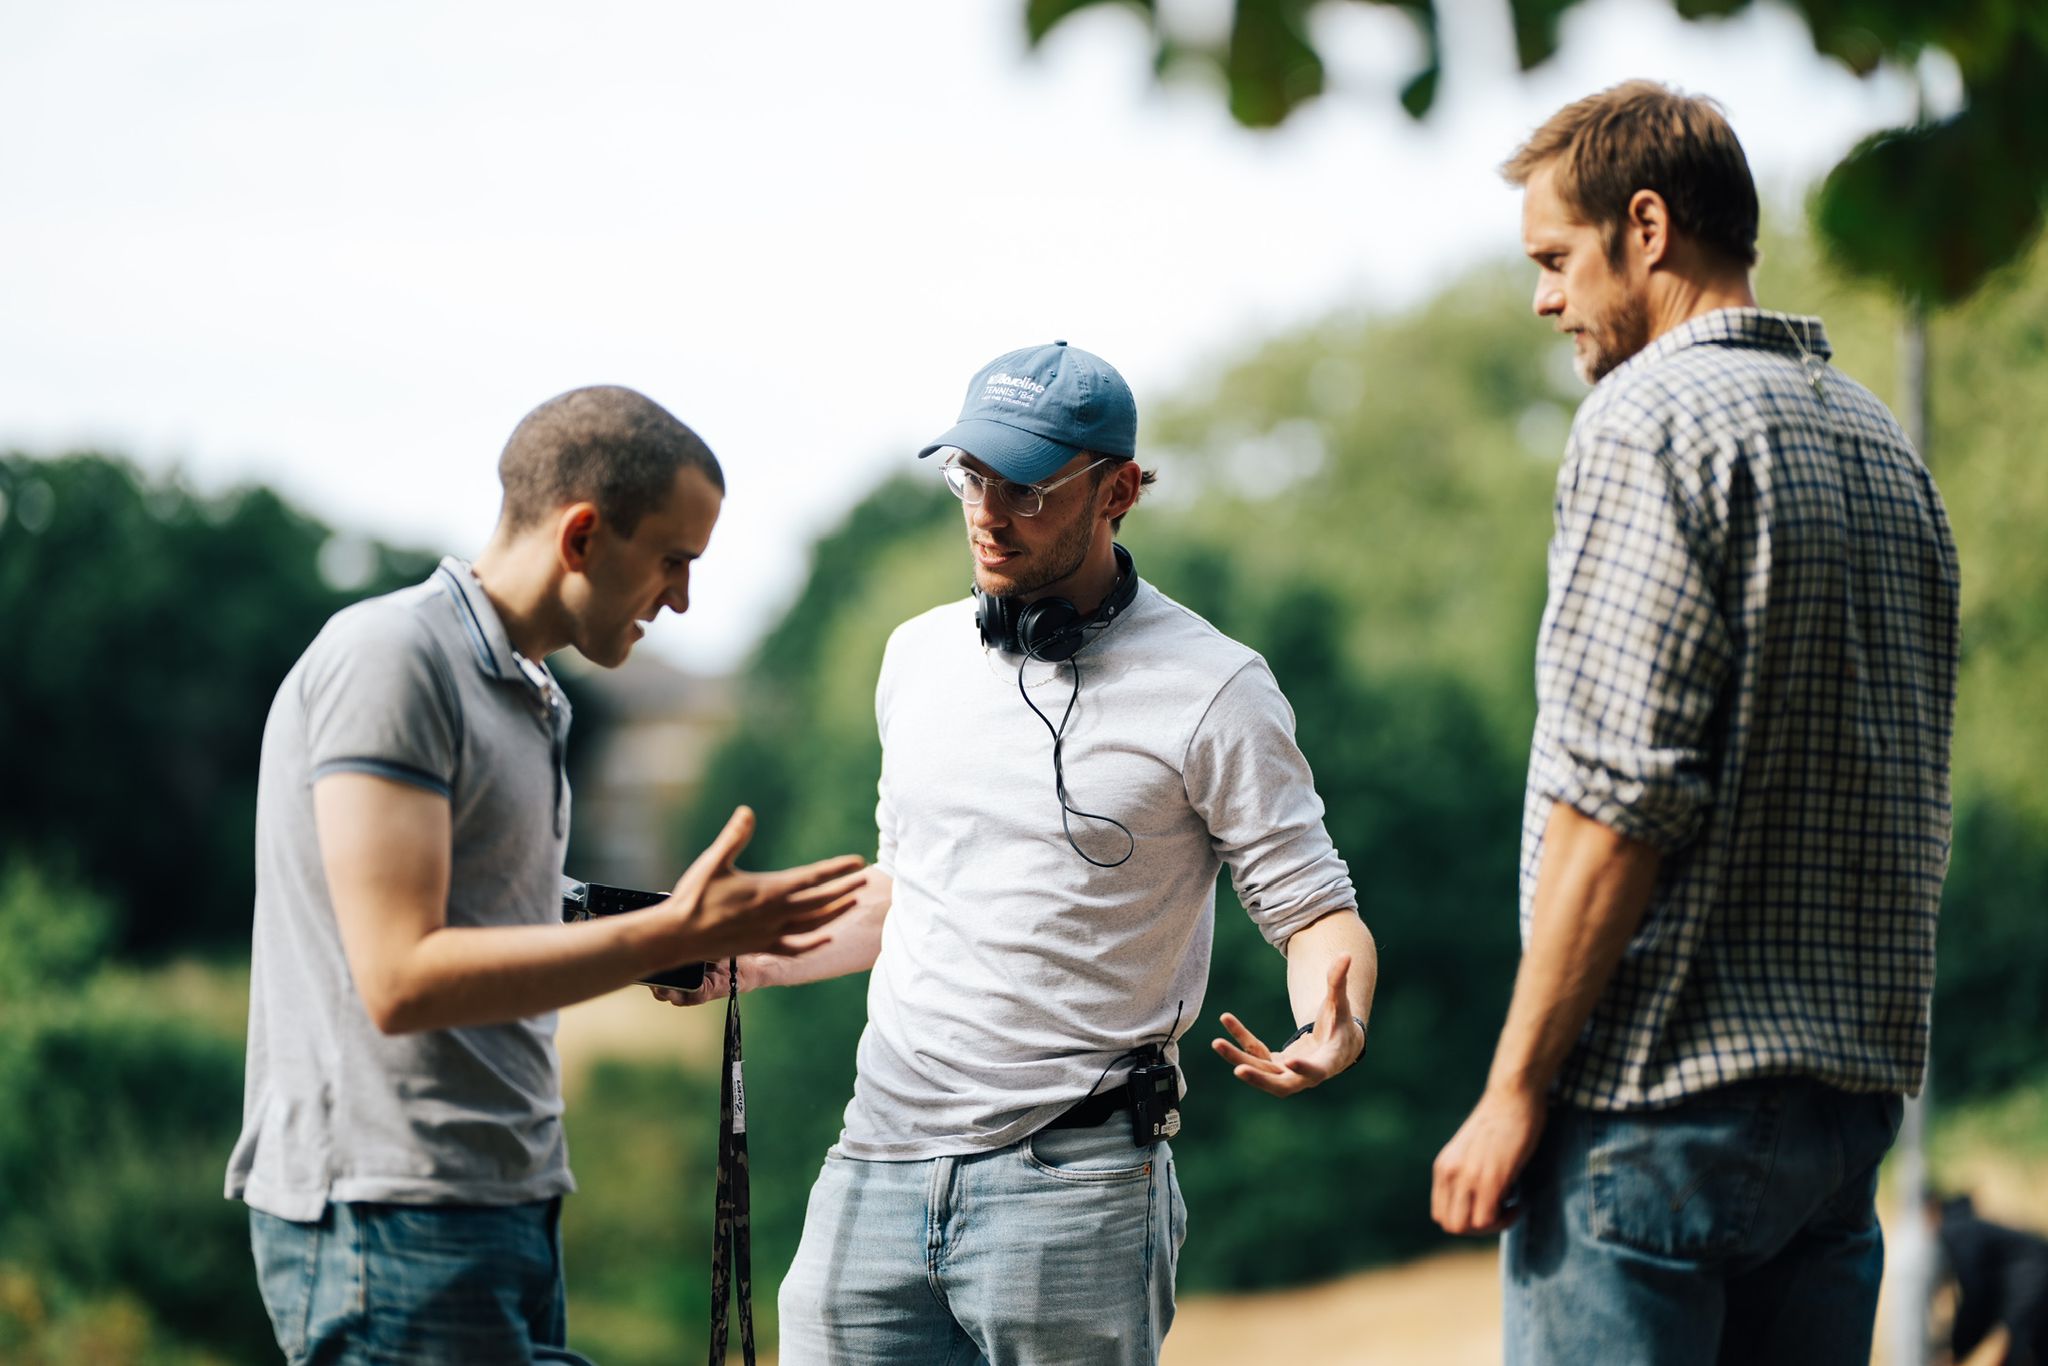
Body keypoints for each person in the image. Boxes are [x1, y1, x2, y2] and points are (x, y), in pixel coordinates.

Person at [657, 340, 1378, 1364]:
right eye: (971, 478)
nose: (988, 514)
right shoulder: (915, 656)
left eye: (1028, 490)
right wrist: (743, 957)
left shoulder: (1216, 687)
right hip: (874, 1166)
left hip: (1077, 1189)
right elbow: (908, 892)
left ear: (1118, 490)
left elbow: (1314, 911)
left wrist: (1331, 1025)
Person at [1428, 81, 1961, 1364]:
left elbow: (1619, 802)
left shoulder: (1646, 423)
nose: (1544, 299)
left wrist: (1511, 1088)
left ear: (1646, 227)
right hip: (1840, 1119)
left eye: (1554, 259)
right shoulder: (1884, 446)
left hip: (1653, 1112)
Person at [225, 385, 867, 1364]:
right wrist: (674, 931)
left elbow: (492, 921)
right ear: (581, 535)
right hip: (388, 1213)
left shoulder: (529, 695)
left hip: (504, 1203)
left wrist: (674, 928)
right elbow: (399, 980)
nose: (682, 599)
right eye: (673, 560)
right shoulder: (393, 658)